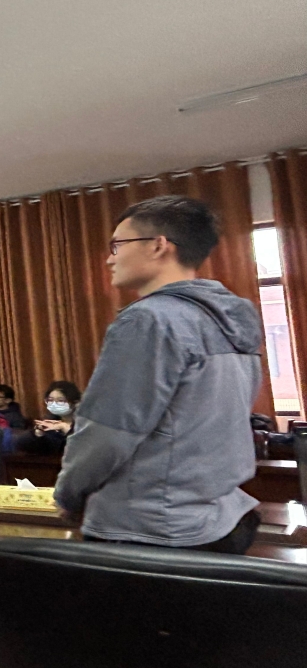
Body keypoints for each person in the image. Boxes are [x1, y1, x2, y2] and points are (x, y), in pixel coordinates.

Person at [55, 195, 264, 553]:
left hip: (150, 527)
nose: (109, 258)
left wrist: (68, 494)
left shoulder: (149, 319)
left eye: (118, 245)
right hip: (219, 518)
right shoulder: (230, 315)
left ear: (158, 245)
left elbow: (108, 432)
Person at [26, 381, 82, 456]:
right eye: (50, 400)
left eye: (61, 400)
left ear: (76, 403)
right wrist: (38, 435)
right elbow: (22, 446)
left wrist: (66, 429)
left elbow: (84, 449)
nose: (54, 404)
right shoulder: (49, 422)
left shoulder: (86, 423)